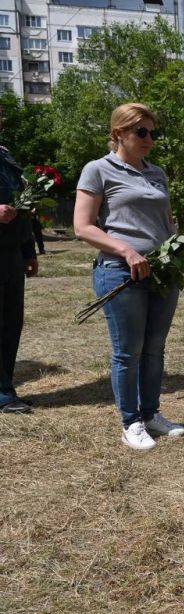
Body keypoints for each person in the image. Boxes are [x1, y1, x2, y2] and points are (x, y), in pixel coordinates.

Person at [74, 103, 184, 449]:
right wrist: (126, 250)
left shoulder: (157, 173)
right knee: (129, 351)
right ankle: (131, 422)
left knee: (155, 348)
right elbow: (82, 227)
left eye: (153, 132)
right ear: (119, 133)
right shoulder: (98, 170)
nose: (149, 138)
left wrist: (181, 240)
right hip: (121, 270)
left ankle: (151, 413)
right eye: (141, 132)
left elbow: (165, 221)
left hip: (162, 271)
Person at [0, 135, 38, 414]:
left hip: (11, 252)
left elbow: (21, 202)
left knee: (11, 322)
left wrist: (29, 250)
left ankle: (5, 388)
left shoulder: (5, 155)